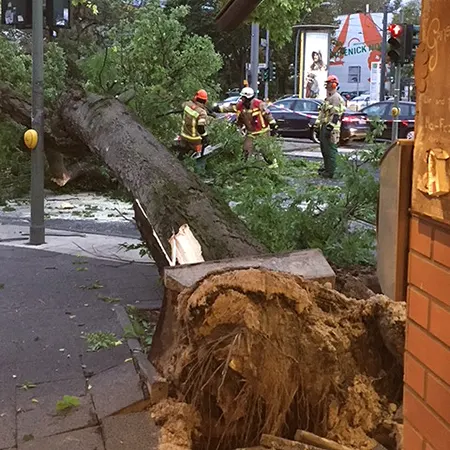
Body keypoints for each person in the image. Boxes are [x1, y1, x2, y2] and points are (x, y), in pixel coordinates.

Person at [214, 87, 279, 167]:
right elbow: (230, 108)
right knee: (246, 150)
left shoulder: (259, 104)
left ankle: (273, 165)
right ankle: (244, 167)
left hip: (262, 132)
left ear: (249, 98)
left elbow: (268, 115)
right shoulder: (240, 105)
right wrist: (217, 109)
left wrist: (274, 125)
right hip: (251, 133)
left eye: (243, 98)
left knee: (265, 150)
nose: (242, 99)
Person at [314, 75, 346, 179]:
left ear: (333, 84)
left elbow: (336, 115)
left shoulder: (336, 98)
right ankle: (328, 168)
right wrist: (317, 126)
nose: (326, 85)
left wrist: (329, 128)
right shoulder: (328, 98)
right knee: (325, 150)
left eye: (328, 83)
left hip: (331, 129)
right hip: (325, 127)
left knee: (331, 150)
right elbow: (322, 114)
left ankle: (332, 171)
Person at [178, 89, 210, 159]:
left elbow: (183, 105)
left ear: (195, 97)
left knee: (182, 152)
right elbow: (200, 127)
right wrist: (205, 136)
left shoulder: (187, 104)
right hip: (194, 139)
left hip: (183, 134)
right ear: (205, 101)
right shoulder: (202, 113)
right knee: (201, 146)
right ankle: (196, 155)